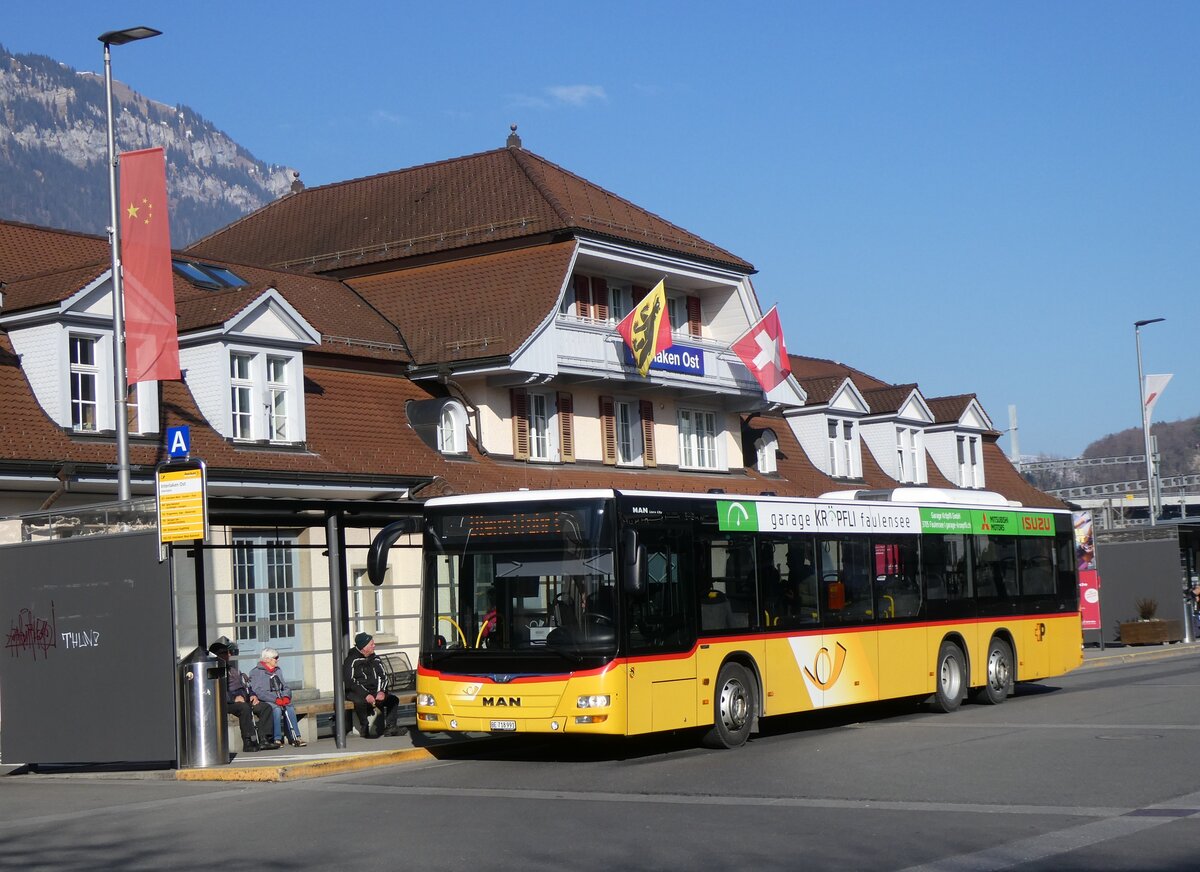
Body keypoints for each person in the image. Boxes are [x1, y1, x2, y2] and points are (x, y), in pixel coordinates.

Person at [209, 637, 277, 752]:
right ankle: (248, 741)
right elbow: (216, 690)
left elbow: (246, 685)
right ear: (216, 655)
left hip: (244, 698)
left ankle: (264, 739)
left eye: (229, 652)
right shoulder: (215, 670)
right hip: (226, 702)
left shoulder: (233, 669)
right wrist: (233, 698)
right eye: (225, 653)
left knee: (265, 707)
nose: (229, 655)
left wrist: (252, 694)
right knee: (244, 708)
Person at [342, 632, 404, 739]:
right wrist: (365, 694)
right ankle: (364, 725)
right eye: (371, 644)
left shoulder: (375, 659)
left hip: (374, 691)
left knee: (393, 700)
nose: (374, 646)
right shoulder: (351, 661)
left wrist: (381, 691)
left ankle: (391, 727)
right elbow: (350, 681)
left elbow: (383, 676)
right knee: (360, 701)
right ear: (364, 647)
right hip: (357, 692)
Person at [248, 648, 308, 747]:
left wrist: (286, 696)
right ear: (267, 659)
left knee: (290, 707)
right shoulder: (256, 672)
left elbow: (286, 686)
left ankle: (296, 737)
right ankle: (277, 739)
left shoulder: (278, 670)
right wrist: (275, 699)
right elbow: (257, 691)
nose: (277, 660)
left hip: (280, 698)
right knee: (276, 709)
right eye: (275, 658)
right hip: (266, 700)